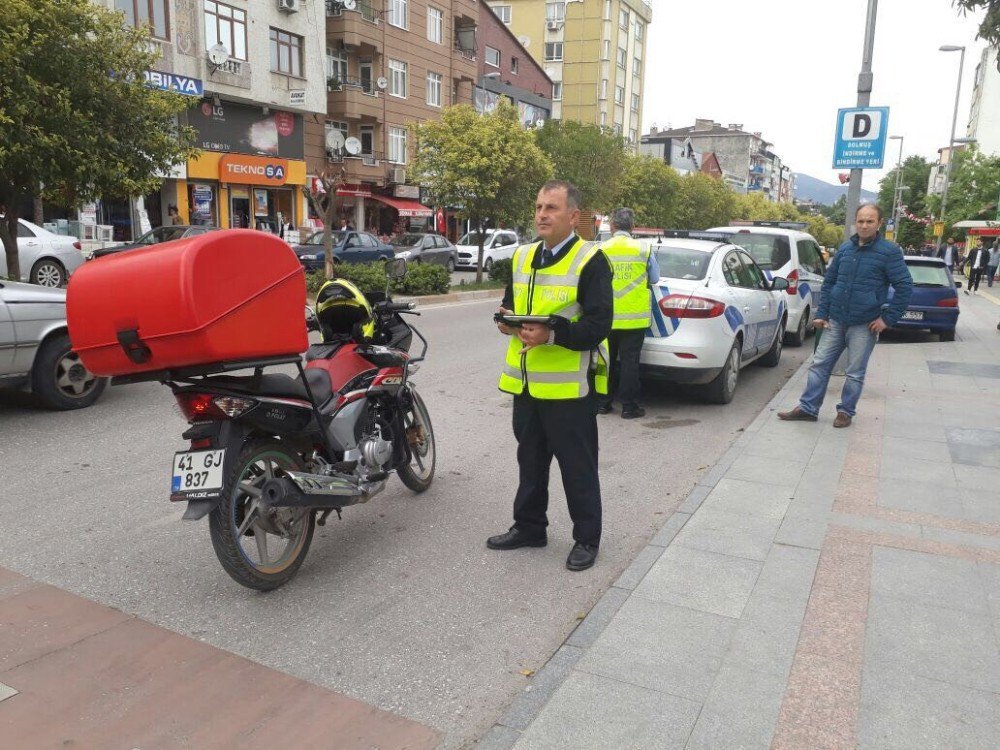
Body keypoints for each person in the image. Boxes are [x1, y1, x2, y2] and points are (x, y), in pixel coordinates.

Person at [489, 180, 612, 572]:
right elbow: (511, 303)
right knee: (530, 462)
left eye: (551, 208)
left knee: (577, 468)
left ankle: (586, 539)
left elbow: (599, 325)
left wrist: (552, 333)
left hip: (569, 389)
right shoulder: (523, 257)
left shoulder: (590, 260)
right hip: (526, 386)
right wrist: (507, 322)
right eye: (539, 206)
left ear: (573, 216)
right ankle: (529, 527)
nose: (541, 214)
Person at [778, 204, 912, 428]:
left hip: (864, 323)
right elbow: (830, 282)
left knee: (854, 373)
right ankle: (808, 408)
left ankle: (846, 412)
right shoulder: (845, 249)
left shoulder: (889, 252)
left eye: (870, 221)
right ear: (855, 223)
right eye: (860, 221)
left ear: (879, 224)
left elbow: (905, 286)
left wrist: (887, 319)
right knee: (819, 364)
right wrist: (822, 314)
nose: (864, 225)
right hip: (835, 320)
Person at [596, 207, 659, 419]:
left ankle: (603, 403)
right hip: (634, 318)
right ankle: (629, 407)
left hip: (606, 317)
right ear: (632, 227)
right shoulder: (643, 249)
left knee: (606, 360)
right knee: (629, 363)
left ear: (612, 226)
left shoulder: (601, 249)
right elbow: (656, 278)